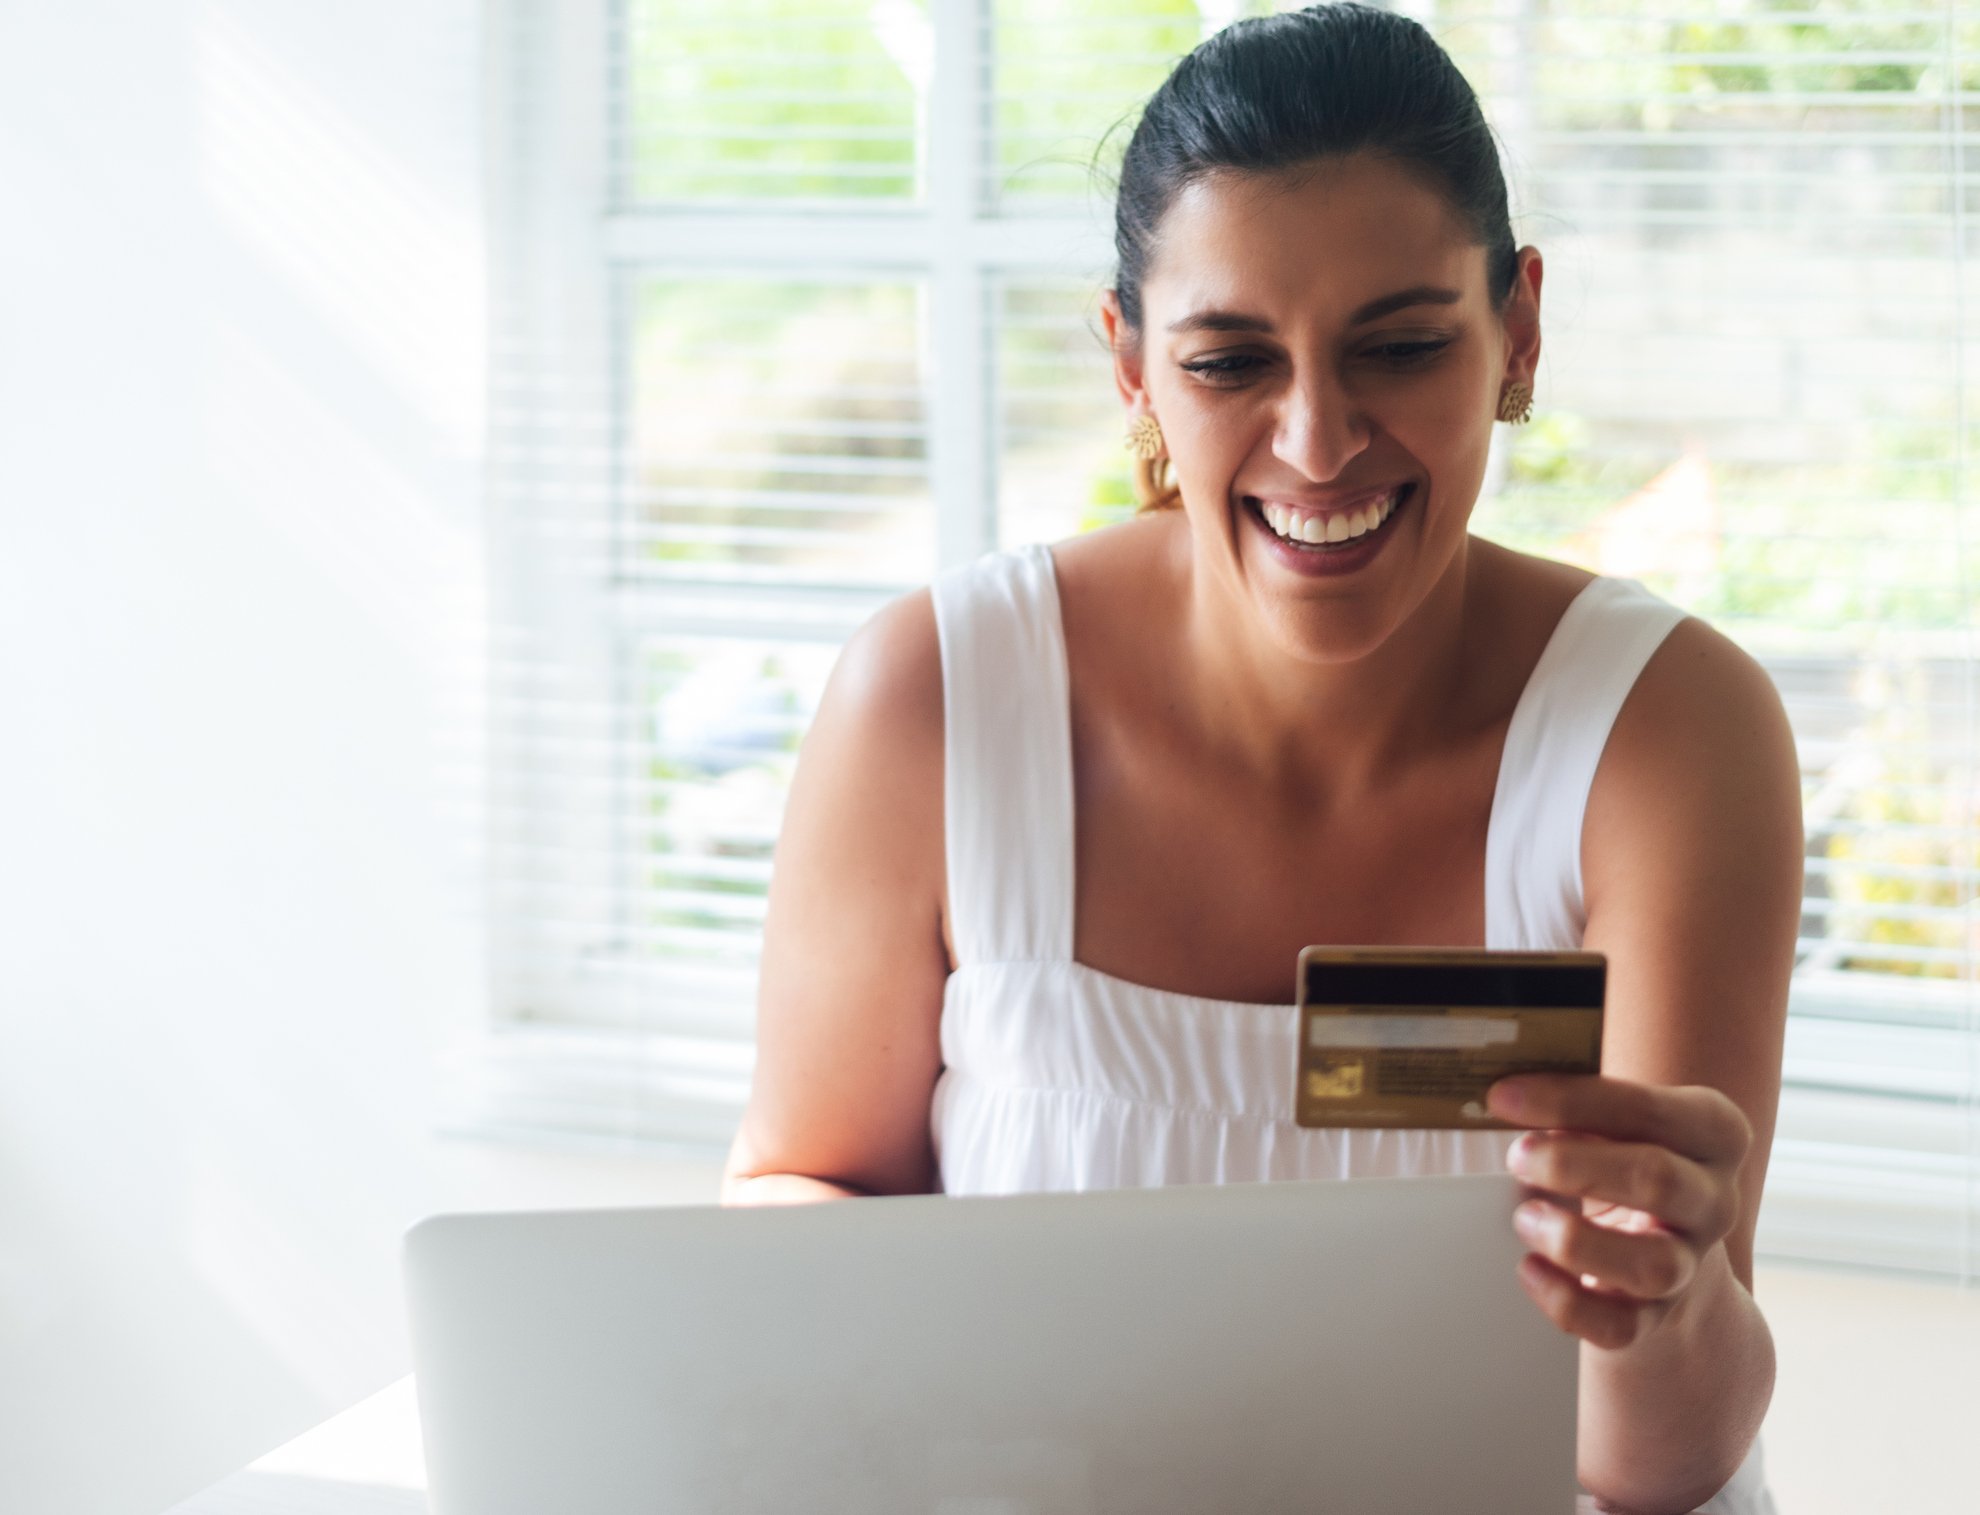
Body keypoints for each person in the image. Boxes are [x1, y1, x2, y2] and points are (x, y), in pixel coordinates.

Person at [720, 6, 1800, 1512]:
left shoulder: (1667, 732)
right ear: (1131, 370)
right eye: (1230, 362)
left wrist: (1661, 1306)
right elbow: (799, 1186)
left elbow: (1660, 1466)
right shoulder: (936, 700)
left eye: (1403, 345)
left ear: (1520, 332)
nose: (1317, 441)